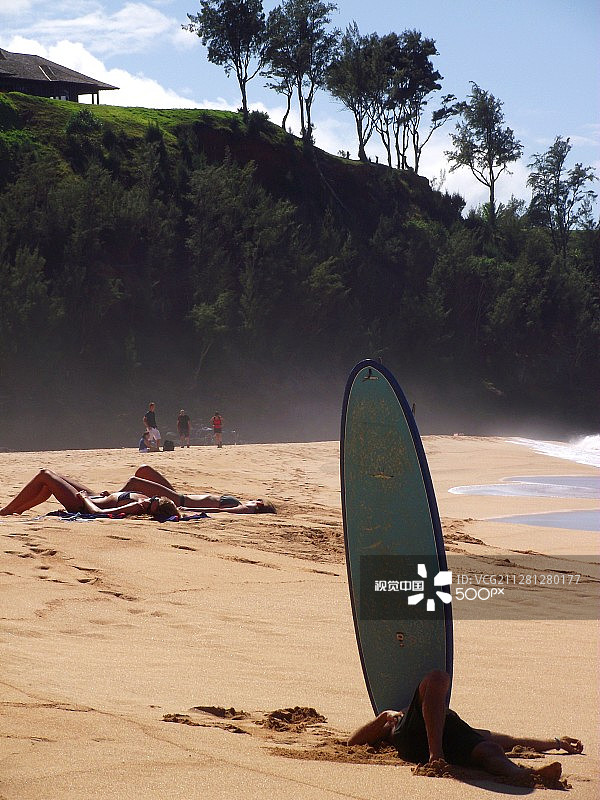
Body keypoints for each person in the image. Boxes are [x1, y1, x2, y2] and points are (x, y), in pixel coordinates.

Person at [348, 669, 582, 785]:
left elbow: (512, 740)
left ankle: (525, 776)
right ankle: (435, 755)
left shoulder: (456, 726)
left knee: (490, 748)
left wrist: (557, 742)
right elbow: (352, 742)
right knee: (437, 677)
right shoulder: (403, 718)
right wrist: (383, 717)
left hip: (450, 741)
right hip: (414, 738)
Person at [0, 469, 180, 521]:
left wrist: (84, 498)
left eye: (153, 503)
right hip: (96, 496)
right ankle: (18, 510)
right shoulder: (145, 500)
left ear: (153, 510)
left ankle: (7, 511)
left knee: (45, 476)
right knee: (53, 480)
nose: (152, 499)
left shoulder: (139, 506)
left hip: (85, 504)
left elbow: (98, 514)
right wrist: (114, 495)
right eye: (155, 498)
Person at [120, 464, 276, 514]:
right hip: (179, 496)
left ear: (260, 504)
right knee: (144, 470)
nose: (254, 500)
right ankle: (113, 498)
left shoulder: (248, 508)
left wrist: (186, 508)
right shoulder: (242, 505)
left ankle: (108, 499)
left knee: (135, 482)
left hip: (179, 500)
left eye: (258, 500)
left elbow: (219, 511)